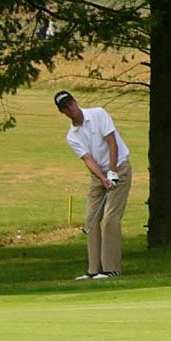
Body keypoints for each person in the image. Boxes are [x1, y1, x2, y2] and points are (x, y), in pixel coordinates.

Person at [53, 90, 131, 280]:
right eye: (65, 108)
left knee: (110, 219)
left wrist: (112, 173)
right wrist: (102, 178)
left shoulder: (98, 114)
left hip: (119, 167)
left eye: (70, 103)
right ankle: (94, 270)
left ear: (75, 101)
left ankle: (111, 268)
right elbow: (88, 159)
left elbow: (112, 143)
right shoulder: (72, 136)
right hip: (98, 175)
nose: (70, 109)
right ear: (62, 112)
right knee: (90, 219)